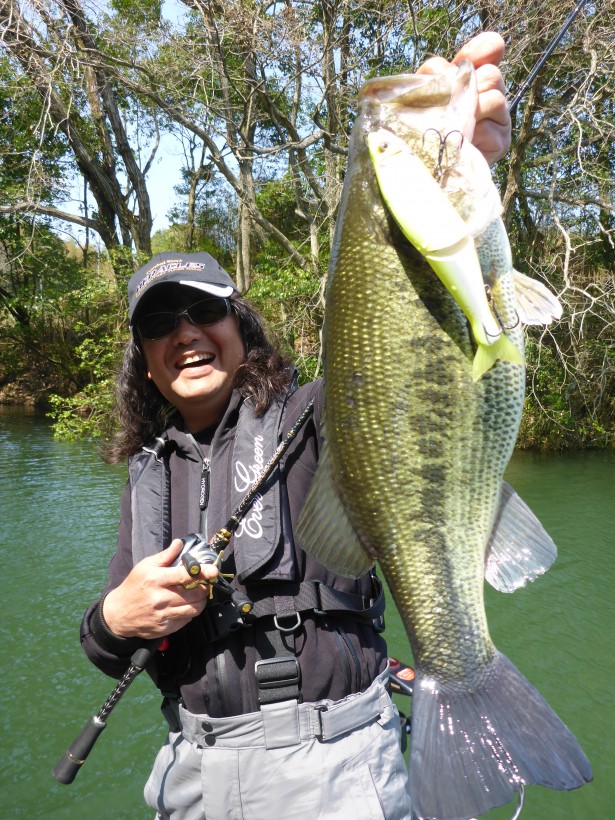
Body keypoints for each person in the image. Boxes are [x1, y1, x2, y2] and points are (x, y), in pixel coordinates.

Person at [80, 32, 512, 820]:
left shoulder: (319, 416)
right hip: (194, 774)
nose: (185, 332)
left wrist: (459, 167)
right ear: (145, 362)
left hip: (340, 764)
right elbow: (104, 646)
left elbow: (419, 367)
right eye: (161, 324)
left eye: (205, 311)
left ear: (240, 328)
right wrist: (114, 617)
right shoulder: (148, 474)